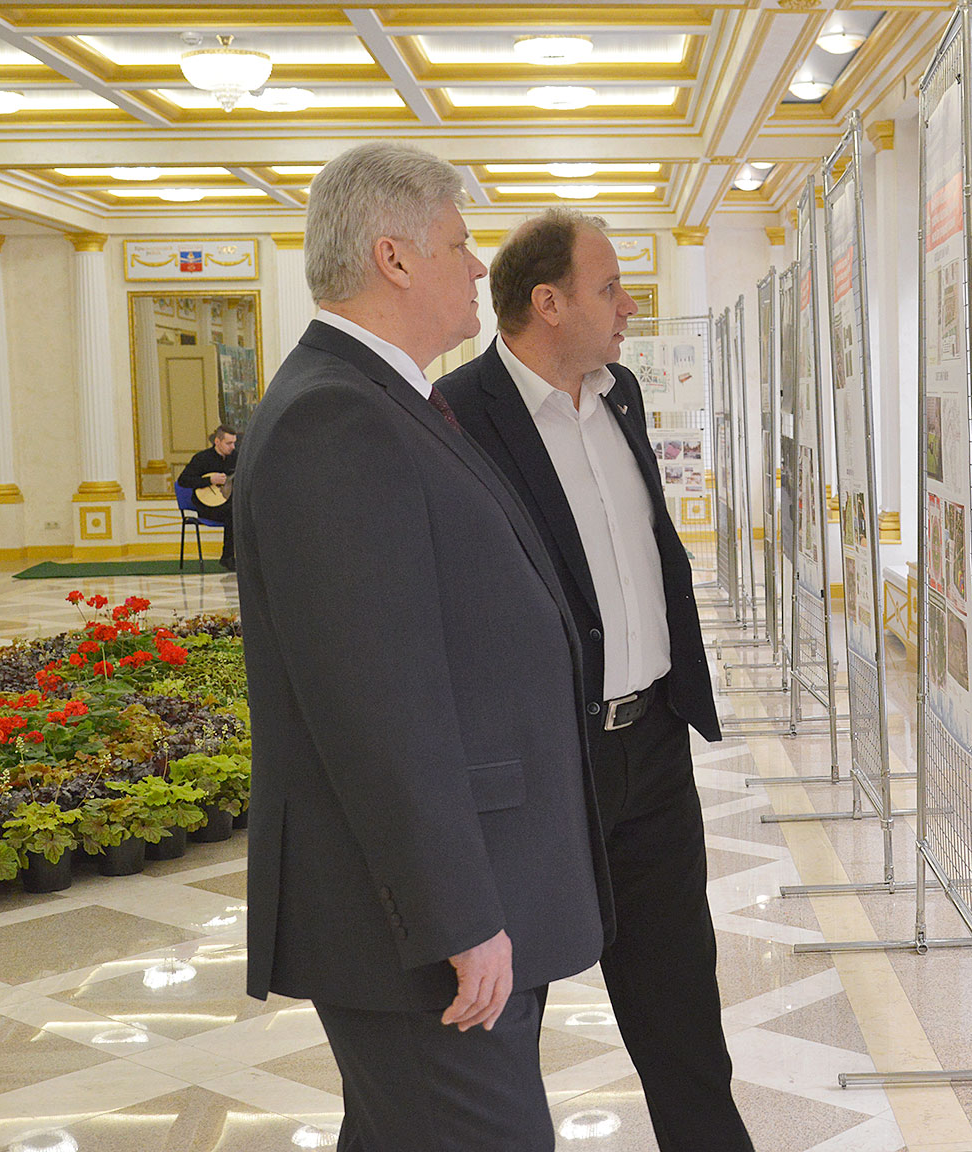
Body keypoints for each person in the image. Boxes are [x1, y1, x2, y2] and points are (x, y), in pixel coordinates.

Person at [235, 144, 611, 1152]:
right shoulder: (335, 418)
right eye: (459, 243)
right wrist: (457, 916)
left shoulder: (378, 399)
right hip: (414, 928)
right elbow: (377, 705)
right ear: (394, 258)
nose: (478, 265)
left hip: (446, 900)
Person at [436, 209, 752, 1152]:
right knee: (502, 1015)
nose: (628, 307)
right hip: (544, 763)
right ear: (548, 303)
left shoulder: (622, 396)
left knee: (681, 1004)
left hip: (651, 748)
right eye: (609, 288)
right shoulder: (457, 415)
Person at [176, 425, 237, 570]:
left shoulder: (235, 458)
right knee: (233, 513)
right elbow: (183, 480)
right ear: (217, 441)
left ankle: (246, 558)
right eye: (229, 443)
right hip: (205, 506)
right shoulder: (202, 458)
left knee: (242, 512)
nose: (233, 447)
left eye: (234, 443)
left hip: (226, 502)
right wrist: (209, 480)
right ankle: (227, 557)